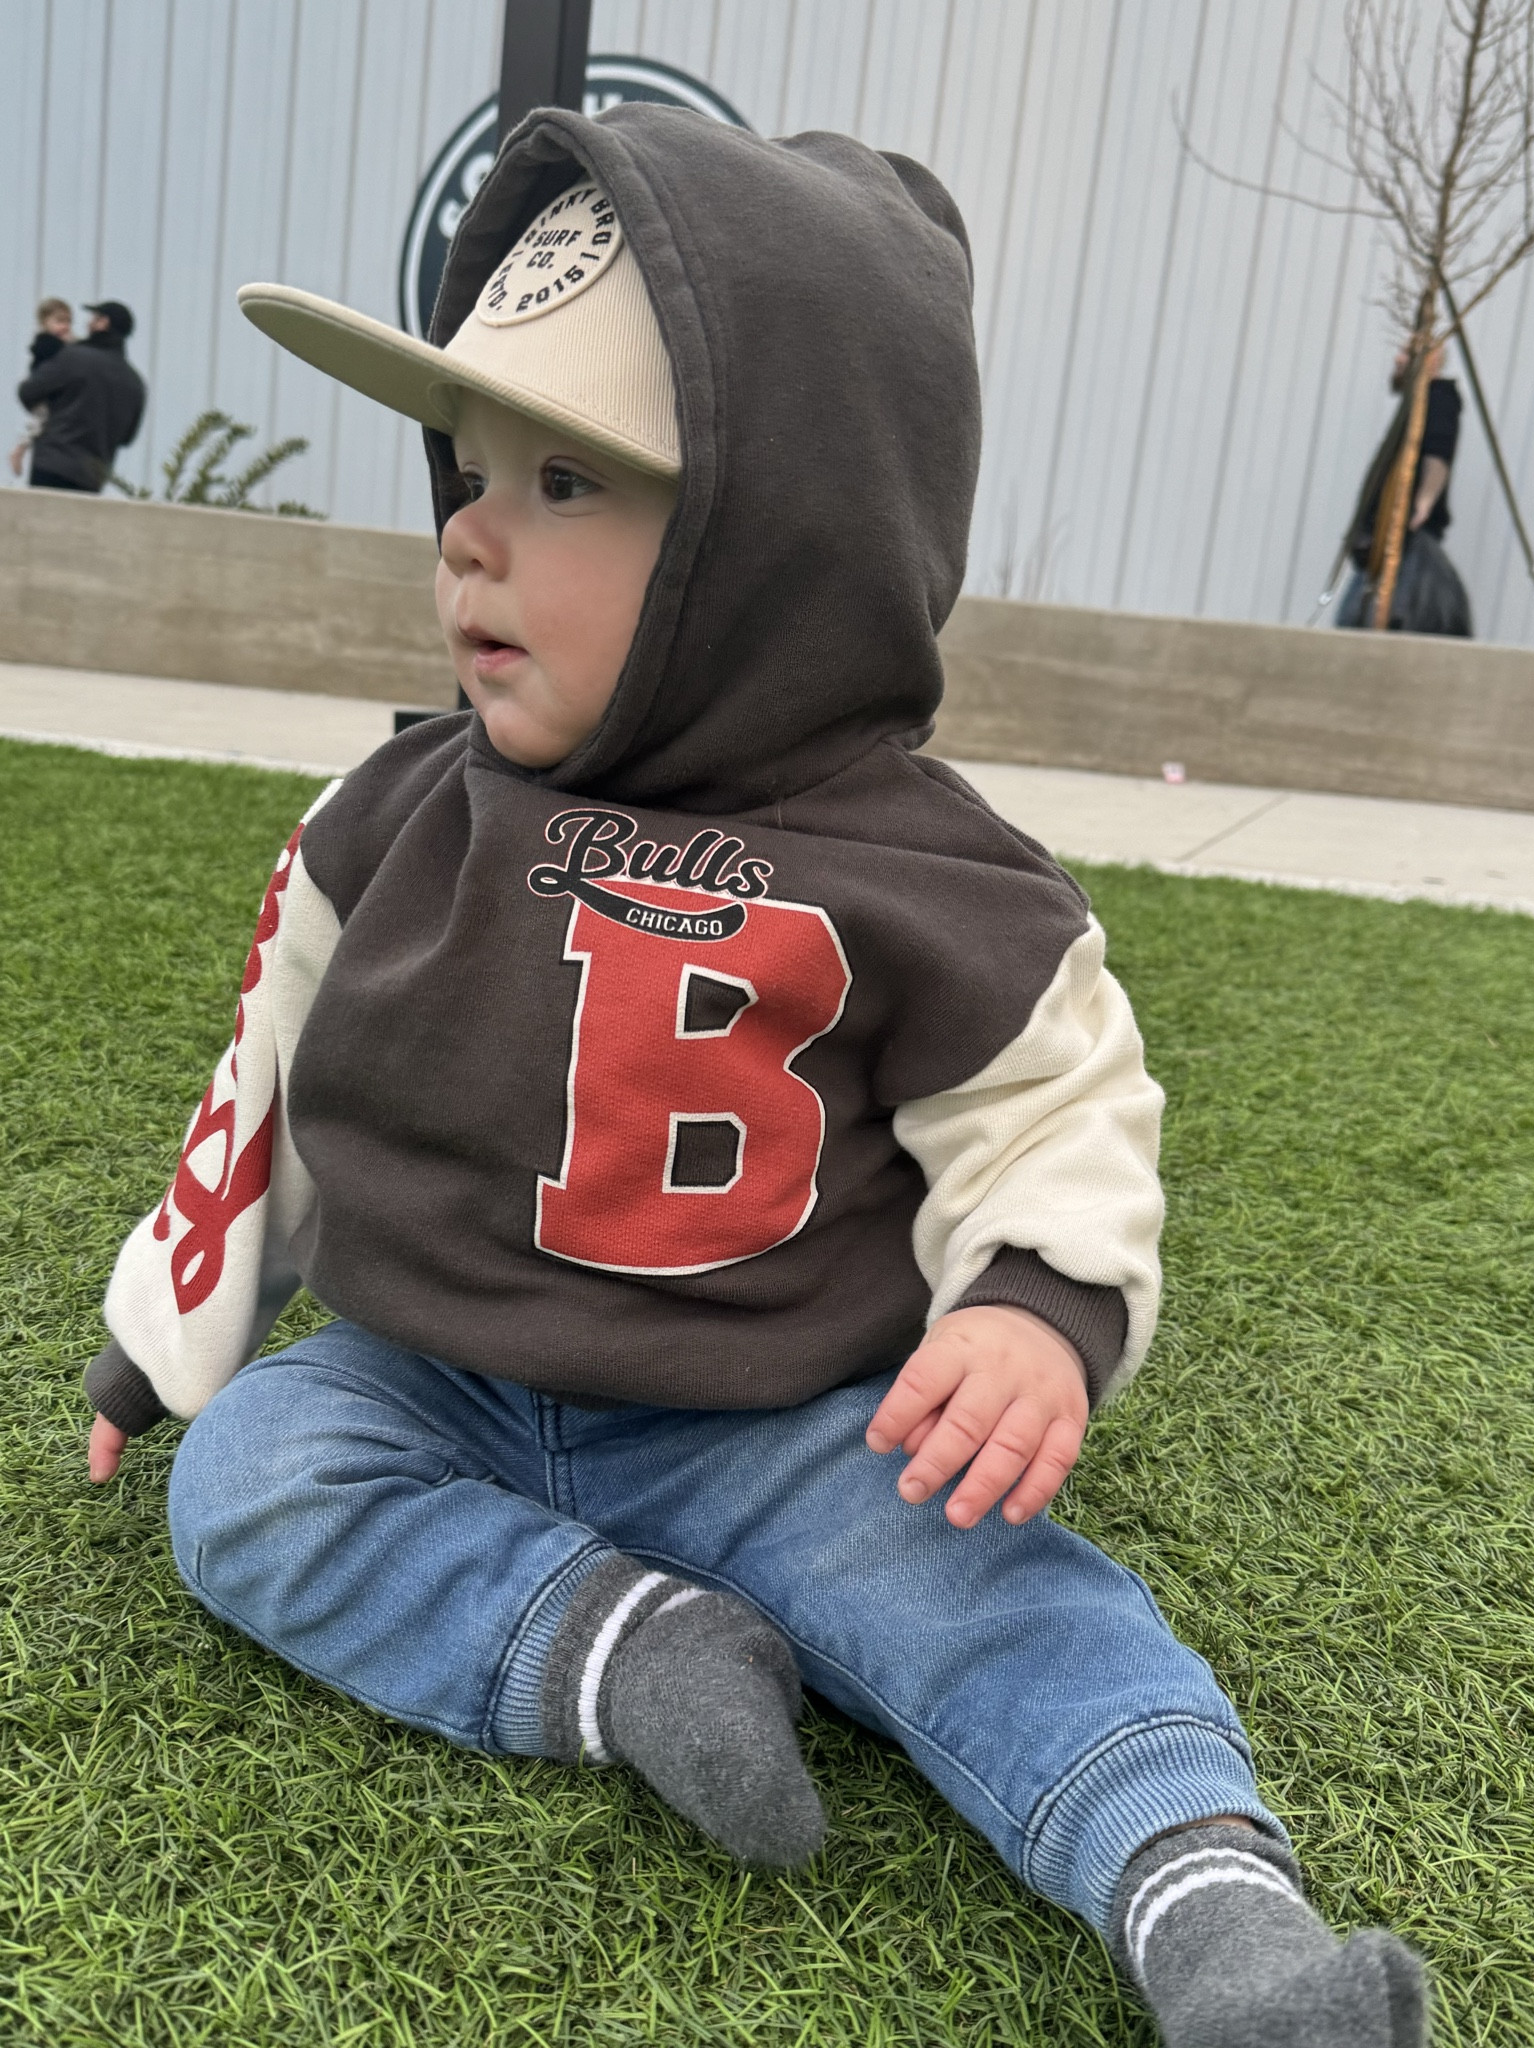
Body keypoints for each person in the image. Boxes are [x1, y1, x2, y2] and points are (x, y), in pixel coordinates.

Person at [82, 108, 1427, 2048]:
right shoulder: (389, 818)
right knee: (257, 1479)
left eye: (564, 479)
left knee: (995, 1593)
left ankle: (1214, 1911)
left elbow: (1058, 1112)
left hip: (777, 1408)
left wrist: (1039, 1311)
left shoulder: (931, 873)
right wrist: (172, 1329)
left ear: (775, 534)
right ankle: (621, 1651)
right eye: (467, 468)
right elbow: (271, 1082)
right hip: (434, 1377)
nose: (470, 529)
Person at [1337, 343, 1471, 635]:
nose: (1398, 359)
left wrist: (1424, 502)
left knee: (1381, 622)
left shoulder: (1439, 397)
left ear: (1431, 359)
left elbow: (1439, 451)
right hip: (1383, 541)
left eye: (1407, 353)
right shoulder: (1417, 403)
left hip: (1404, 539)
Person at [16, 298, 145, 493]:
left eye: (94, 318)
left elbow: (28, 391)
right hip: (93, 477)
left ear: (103, 323)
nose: (87, 323)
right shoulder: (135, 383)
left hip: (51, 467)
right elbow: (127, 437)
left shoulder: (72, 357)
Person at [8, 297, 74, 478]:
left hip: (51, 392)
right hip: (45, 395)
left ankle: (20, 448)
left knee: (40, 423)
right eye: (59, 321)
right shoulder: (47, 342)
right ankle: (19, 449)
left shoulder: (56, 343)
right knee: (39, 422)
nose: (65, 326)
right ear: (45, 323)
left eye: (68, 321)